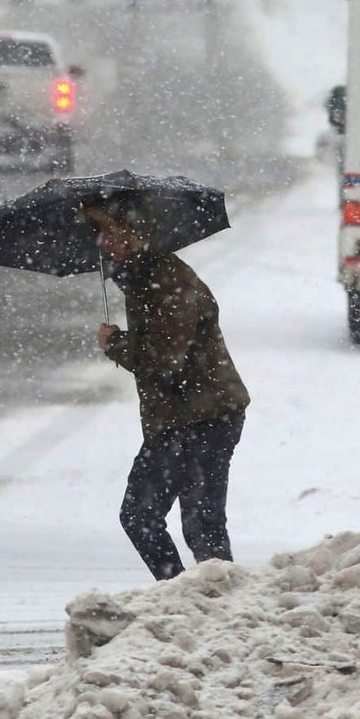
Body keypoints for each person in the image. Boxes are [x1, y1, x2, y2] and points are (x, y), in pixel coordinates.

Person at [82, 196, 250, 580]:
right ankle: (191, 603)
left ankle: (204, 607)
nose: (103, 242)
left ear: (134, 230)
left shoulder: (166, 280)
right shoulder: (143, 278)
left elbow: (164, 359)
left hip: (202, 416)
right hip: (184, 416)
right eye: (98, 233)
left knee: (190, 523)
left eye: (109, 230)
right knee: (170, 519)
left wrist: (115, 344)